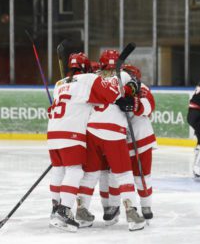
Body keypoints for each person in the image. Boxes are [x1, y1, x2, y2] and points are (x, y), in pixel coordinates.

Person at [47, 52, 125, 232]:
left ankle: (55, 209)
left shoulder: (59, 83)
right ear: (87, 68)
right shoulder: (89, 79)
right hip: (72, 133)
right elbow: (111, 95)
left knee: (59, 170)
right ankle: (64, 211)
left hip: (53, 131)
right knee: (75, 171)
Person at [77, 50, 146, 231]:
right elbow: (135, 86)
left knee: (90, 173)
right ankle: (131, 212)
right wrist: (130, 95)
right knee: (123, 174)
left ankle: (81, 211)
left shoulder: (92, 77)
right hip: (113, 131)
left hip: (91, 130)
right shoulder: (123, 75)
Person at [102, 64, 156, 224]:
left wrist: (134, 103)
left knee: (142, 175)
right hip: (118, 139)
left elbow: (150, 106)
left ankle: (146, 205)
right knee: (115, 175)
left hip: (140, 139)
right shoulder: (111, 88)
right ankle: (114, 205)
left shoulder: (142, 88)